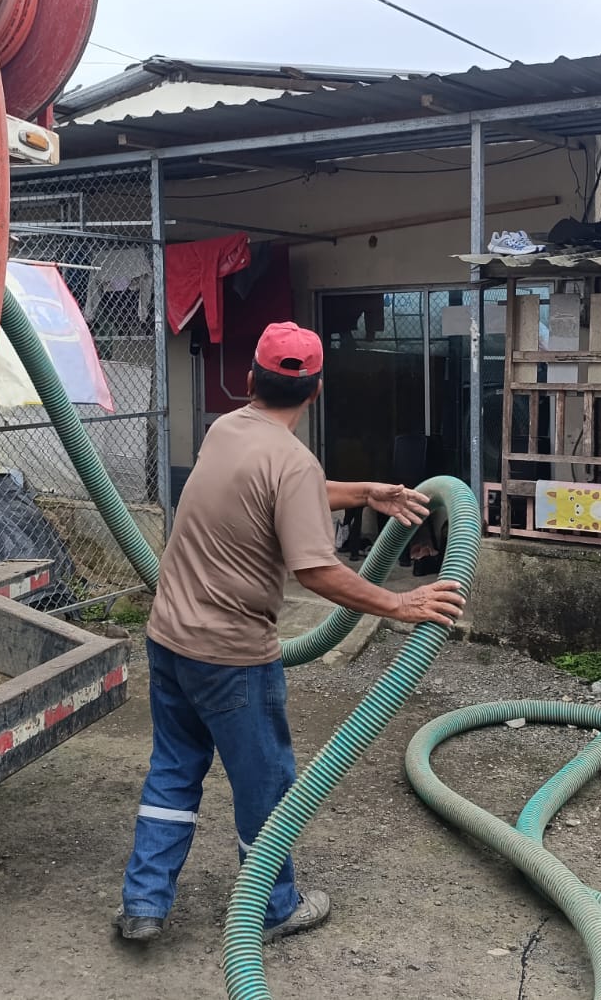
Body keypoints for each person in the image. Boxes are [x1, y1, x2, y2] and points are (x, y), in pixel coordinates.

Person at [114, 321, 466, 944]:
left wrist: (365, 493)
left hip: (169, 639)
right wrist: (400, 603)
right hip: (232, 657)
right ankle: (273, 906)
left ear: (250, 379)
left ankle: (143, 903)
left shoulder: (226, 429)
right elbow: (316, 569)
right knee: (266, 786)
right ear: (317, 391)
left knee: (173, 769)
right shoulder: (293, 462)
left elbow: (277, 491)